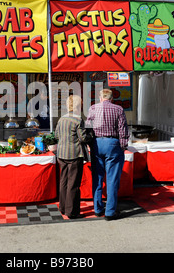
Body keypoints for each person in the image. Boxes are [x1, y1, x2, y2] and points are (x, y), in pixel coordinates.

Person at [86, 89, 129, 221]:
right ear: (111, 98)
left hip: (97, 144)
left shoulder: (92, 108)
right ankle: (110, 212)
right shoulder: (118, 109)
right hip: (113, 144)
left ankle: (98, 209)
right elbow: (123, 130)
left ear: (100, 98)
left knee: (97, 178)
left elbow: (88, 128)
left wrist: (89, 144)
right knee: (112, 179)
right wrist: (123, 146)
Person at [55, 94, 92, 219]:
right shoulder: (78, 119)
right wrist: (90, 135)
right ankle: (72, 212)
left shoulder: (62, 119)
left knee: (64, 181)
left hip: (61, 153)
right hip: (74, 154)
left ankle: (63, 207)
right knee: (73, 184)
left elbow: (56, 136)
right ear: (78, 105)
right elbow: (83, 138)